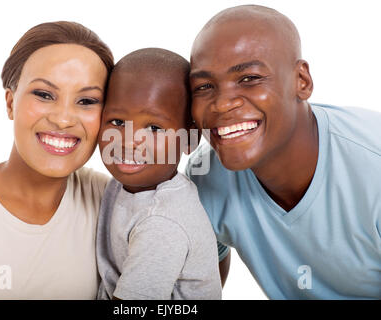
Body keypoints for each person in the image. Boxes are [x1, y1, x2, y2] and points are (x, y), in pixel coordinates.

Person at [186, 5, 381, 299]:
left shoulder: (373, 167)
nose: (222, 104)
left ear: (301, 81)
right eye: (204, 86)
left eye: (249, 78)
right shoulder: (204, 180)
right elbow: (202, 280)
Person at [0, 21, 114, 299]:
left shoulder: (113, 201)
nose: (63, 119)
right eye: (44, 94)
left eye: (87, 101)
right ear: (10, 103)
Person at [96, 48, 222, 300]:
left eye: (154, 128)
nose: (129, 142)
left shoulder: (162, 223)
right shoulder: (122, 185)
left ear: (190, 139)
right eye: (118, 122)